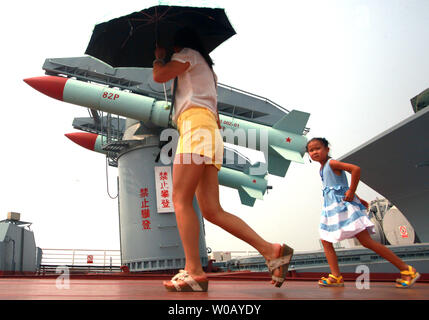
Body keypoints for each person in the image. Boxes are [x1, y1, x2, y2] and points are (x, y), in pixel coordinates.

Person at [152, 27, 294, 292]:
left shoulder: (187, 55)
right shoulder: (206, 69)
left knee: (180, 199)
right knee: (211, 210)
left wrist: (159, 58)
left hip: (194, 127)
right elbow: (214, 115)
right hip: (209, 132)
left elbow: (159, 75)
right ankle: (271, 250)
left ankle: (194, 271)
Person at [306, 137, 420, 288]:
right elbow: (341, 186)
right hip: (333, 208)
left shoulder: (331, 163)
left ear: (327, 149)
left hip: (342, 208)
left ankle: (407, 270)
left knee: (365, 242)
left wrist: (353, 192)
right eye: (311, 150)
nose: (314, 152)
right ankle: (336, 276)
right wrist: (358, 198)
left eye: (317, 148)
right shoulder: (322, 168)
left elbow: (355, 169)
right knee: (327, 241)